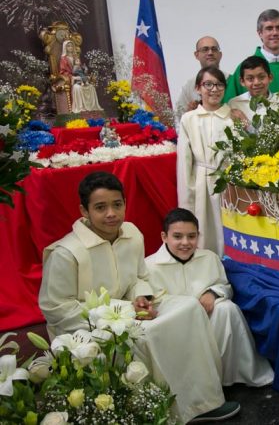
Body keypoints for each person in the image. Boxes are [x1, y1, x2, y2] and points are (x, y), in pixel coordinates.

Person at [38, 172, 240, 423]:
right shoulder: (67, 253)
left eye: (117, 205)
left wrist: (142, 298)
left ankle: (203, 402)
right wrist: (115, 315)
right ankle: (165, 410)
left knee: (189, 308)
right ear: (84, 211)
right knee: (152, 334)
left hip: (131, 310)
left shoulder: (132, 234)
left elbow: (138, 278)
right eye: (100, 207)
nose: (111, 213)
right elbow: (56, 308)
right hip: (88, 326)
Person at [145, 208, 274, 387]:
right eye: (177, 236)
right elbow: (149, 303)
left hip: (207, 322)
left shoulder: (209, 258)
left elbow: (225, 286)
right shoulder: (149, 266)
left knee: (227, 309)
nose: (185, 242)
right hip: (172, 327)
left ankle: (223, 378)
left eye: (191, 236)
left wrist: (212, 293)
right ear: (164, 236)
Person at [177, 67, 234, 256]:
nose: (214, 89)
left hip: (229, 182)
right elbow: (184, 162)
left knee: (229, 228)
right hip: (202, 181)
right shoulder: (189, 119)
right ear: (198, 88)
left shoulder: (232, 118)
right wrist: (187, 196)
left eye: (219, 85)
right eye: (208, 84)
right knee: (205, 228)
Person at [224, 9, 279, 113]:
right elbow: (228, 108)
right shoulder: (245, 68)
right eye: (269, 28)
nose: (275, 33)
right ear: (260, 33)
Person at [175, 36, 225, 129]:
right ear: (196, 55)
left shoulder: (231, 80)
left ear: (220, 54)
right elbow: (179, 118)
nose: (210, 52)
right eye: (205, 49)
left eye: (214, 49)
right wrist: (189, 113)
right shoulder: (189, 86)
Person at [227, 55, 278, 125]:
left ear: (270, 77)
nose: (256, 83)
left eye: (261, 77)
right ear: (242, 81)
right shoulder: (235, 104)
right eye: (250, 79)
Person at [59, 40, 102, 113]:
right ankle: (80, 108)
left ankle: (91, 108)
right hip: (71, 80)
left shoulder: (76, 57)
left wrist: (84, 72)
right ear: (65, 48)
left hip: (80, 78)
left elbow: (80, 69)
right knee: (77, 88)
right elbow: (62, 72)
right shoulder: (63, 59)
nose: (70, 47)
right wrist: (72, 77)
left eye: (72, 45)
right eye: (68, 46)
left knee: (91, 87)